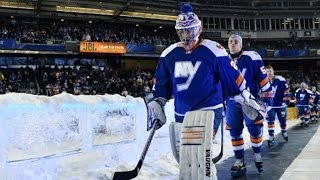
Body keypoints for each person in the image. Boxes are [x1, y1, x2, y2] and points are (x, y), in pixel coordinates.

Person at [143, 3, 263, 168]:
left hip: (209, 109)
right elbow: (162, 82)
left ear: (197, 29)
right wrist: (158, 100)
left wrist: (244, 95)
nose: (185, 35)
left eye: (188, 30)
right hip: (182, 112)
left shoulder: (214, 50)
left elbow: (232, 75)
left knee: (199, 151)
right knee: (187, 158)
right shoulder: (169, 53)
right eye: (181, 31)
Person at [226, 34, 273, 177]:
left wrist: (266, 104)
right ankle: (239, 160)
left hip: (251, 102)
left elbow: (264, 82)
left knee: (254, 131)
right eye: (230, 42)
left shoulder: (252, 57)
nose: (233, 44)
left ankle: (257, 154)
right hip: (232, 102)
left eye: (236, 42)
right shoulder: (223, 60)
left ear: (241, 45)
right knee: (234, 132)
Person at [265, 65, 290, 146]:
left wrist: (287, 98)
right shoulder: (263, 80)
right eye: (267, 71)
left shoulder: (281, 79)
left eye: (270, 71)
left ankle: (283, 131)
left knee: (282, 121)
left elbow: (286, 89)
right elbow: (260, 92)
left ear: (273, 71)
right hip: (270, 105)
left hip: (280, 105)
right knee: (270, 121)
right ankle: (271, 136)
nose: (269, 73)